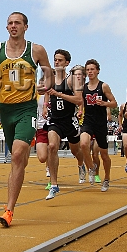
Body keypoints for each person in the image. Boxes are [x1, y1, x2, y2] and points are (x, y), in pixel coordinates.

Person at [0, 12, 51, 227]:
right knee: (17, 159)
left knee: (18, 154)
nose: (13, 26)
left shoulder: (37, 50)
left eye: (17, 23)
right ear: (7, 27)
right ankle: (19, 172)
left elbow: (49, 74)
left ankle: (9, 209)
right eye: (10, 23)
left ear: (26, 27)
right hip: (6, 109)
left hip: (27, 108)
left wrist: (44, 84)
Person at [44, 54, 85, 200]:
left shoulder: (72, 80)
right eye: (55, 59)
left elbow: (79, 100)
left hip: (69, 120)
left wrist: (59, 94)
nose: (56, 62)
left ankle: (81, 164)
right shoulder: (51, 78)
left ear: (67, 63)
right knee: (52, 146)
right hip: (55, 120)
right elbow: (46, 92)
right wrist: (44, 105)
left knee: (76, 150)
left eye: (60, 60)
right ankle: (54, 184)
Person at [79, 59, 118, 192]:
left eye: (92, 69)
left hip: (101, 124)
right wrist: (79, 111)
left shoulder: (103, 86)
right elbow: (81, 103)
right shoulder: (83, 87)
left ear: (97, 71)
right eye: (88, 70)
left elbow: (114, 103)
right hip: (88, 121)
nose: (90, 72)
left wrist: (104, 103)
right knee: (83, 143)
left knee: (104, 155)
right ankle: (91, 168)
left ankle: (106, 178)